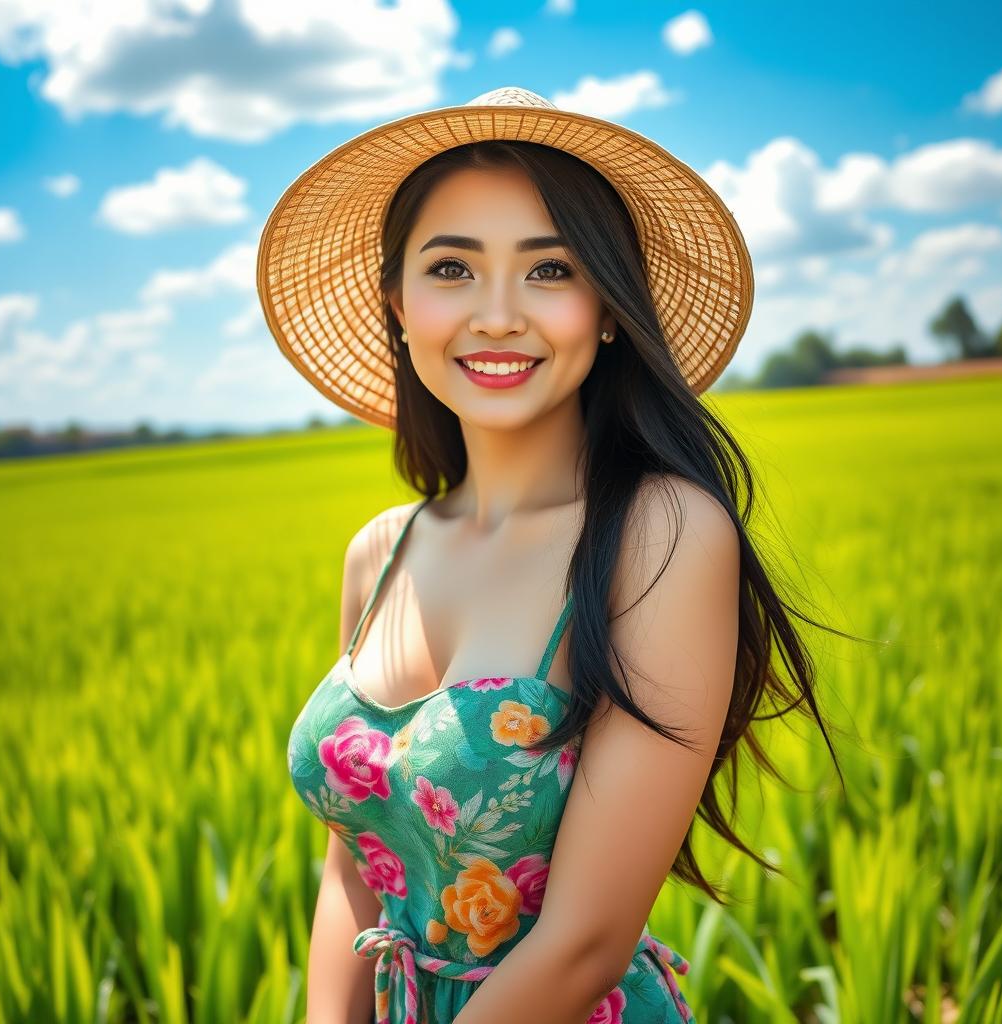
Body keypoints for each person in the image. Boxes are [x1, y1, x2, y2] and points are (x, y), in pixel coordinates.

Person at [261, 86, 842, 1024]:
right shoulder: (380, 552)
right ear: (398, 306)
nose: (496, 316)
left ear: (609, 310)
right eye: (451, 269)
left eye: (550, 270)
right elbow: (354, 867)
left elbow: (585, 945)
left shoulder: (662, 534)